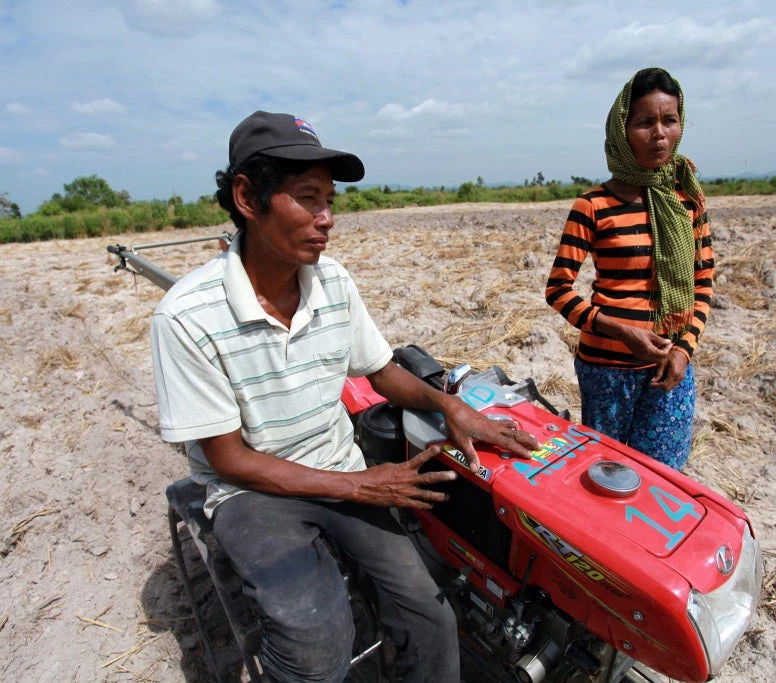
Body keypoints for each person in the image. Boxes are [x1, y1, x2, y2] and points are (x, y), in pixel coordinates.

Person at [150, 110, 537, 683]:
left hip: (337, 464)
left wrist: (448, 404)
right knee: (314, 637)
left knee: (428, 613)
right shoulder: (186, 316)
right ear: (247, 199)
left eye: (331, 201)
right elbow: (230, 460)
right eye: (308, 199)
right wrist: (362, 485)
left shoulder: (333, 282)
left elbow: (381, 371)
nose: (327, 219)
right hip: (251, 492)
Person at [545, 67, 714, 471]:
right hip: (606, 372)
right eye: (644, 122)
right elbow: (558, 290)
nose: (659, 134)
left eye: (669, 120)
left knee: (662, 476)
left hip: (668, 369)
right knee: (607, 475)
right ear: (622, 130)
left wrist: (684, 350)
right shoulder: (593, 206)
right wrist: (622, 332)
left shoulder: (686, 200)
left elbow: (703, 283)